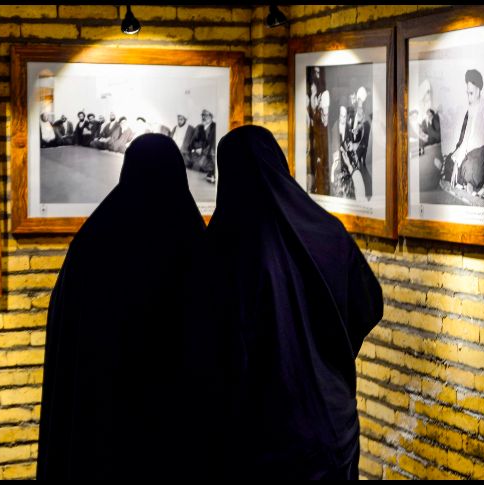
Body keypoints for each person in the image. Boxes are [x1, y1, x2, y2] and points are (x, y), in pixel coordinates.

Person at [204, 125, 383, 480]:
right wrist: (329, 355)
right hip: (332, 427)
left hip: (262, 438)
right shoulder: (327, 231)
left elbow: (213, 350)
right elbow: (368, 305)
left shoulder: (221, 250)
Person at [36, 134, 206, 480]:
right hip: (176, 428)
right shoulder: (195, 244)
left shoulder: (93, 242)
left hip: (102, 420)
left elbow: (67, 334)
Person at [443, 69, 484, 195]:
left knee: (471, 168)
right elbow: (463, 139)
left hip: (481, 153)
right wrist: (456, 161)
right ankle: (466, 181)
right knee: (449, 162)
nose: (469, 97)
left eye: (471, 93)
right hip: (466, 151)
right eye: (467, 93)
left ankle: (469, 181)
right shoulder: (469, 111)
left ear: (479, 90)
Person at [190, 109, 217, 183]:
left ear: (211, 116)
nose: (203, 117)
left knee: (200, 165)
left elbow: (212, 144)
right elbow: (192, 143)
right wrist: (197, 148)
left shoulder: (215, 127)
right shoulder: (199, 127)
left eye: (206, 115)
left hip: (209, 156)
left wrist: (202, 149)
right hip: (197, 154)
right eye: (202, 115)